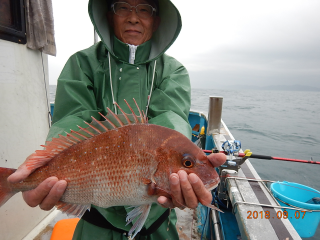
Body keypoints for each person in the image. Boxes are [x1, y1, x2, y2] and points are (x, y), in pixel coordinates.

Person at [8, 0, 226, 239]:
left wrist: (186, 170)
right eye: (123, 7)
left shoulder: (173, 71)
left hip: (159, 226)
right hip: (95, 225)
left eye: (144, 9)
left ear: (157, 21)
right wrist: (38, 172)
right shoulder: (81, 64)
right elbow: (72, 123)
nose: (133, 17)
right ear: (109, 16)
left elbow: (171, 123)